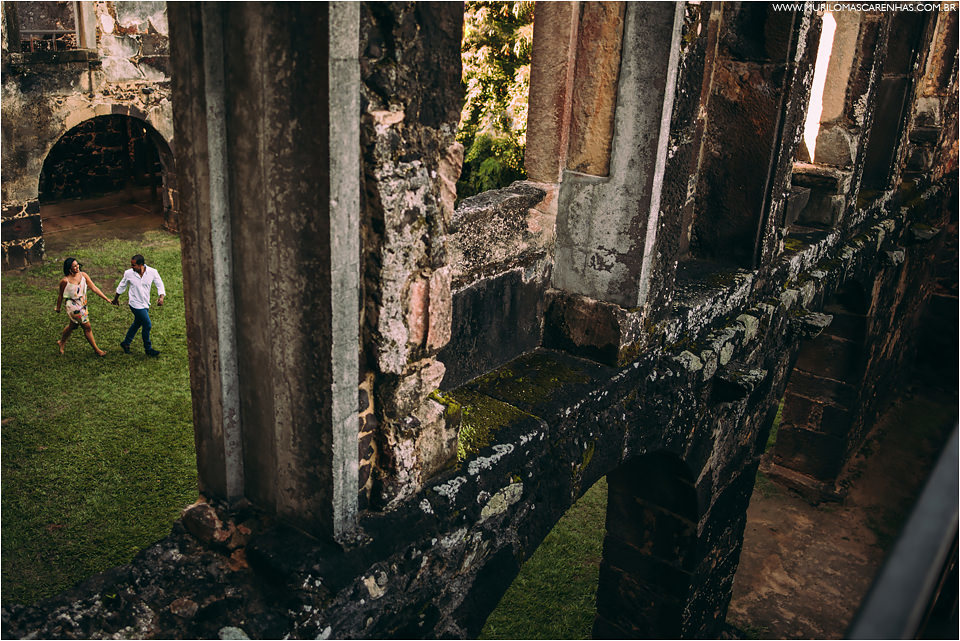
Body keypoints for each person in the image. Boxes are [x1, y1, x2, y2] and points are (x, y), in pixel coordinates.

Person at [55, 257, 113, 356]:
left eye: (77, 265)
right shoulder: (65, 281)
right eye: (74, 266)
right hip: (73, 306)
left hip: (82, 304)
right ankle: (97, 350)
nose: (77, 267)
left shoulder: (83, 275)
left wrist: (106, 298)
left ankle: (62, 342)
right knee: (87, 327)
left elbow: (94, 288)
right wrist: (58, 308)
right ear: (69, 268)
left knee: (72, 326)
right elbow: (60, 295)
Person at [112, 254, 165, 357]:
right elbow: (121, 286)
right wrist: (115, 299)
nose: (131, 267)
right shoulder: (128, 274)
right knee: (147, 324)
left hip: (145, 303)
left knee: (137, 323)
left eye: (133, 265)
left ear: (141, 265)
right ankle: (148, 349)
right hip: (135, 304)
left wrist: (161, 297)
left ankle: (126, 343)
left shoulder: (152, 272)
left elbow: (160, 284)